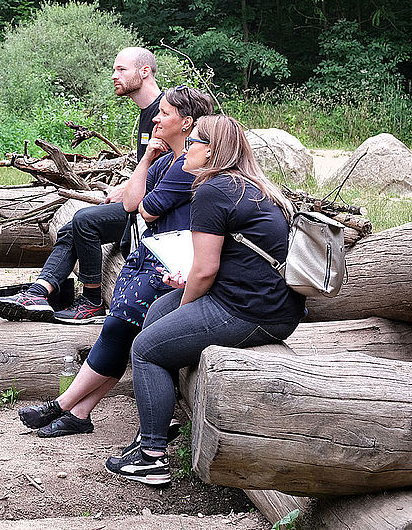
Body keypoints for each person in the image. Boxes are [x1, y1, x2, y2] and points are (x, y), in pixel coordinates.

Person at [105, 114, 305, 486]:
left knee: (147, 348)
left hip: (250, 311)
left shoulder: (213, 190)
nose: (186, 150)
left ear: (211, 151)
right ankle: (159, 420)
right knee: (157, 310)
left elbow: (205, 272)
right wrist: (183, 294)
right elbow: (217, 262)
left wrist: (186, 307)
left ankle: (151, 457)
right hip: (267, 302)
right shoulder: (247, 184)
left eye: (193, 141)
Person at [17, 87, 213, 439]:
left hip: (169, 268)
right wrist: (147, 159)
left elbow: (147, 208)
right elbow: (130, 203)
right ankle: (79, 411)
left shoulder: (189, 167)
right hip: (150, 258)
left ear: (186, 123)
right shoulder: (168, 160)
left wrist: (143, 198)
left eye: (164, 113)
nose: (155, 118)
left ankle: (64, 406)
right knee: (119, 334)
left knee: (116, 332)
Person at [0, 47, 165, 324]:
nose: (113, 76)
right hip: (140, 202)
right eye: (114, 69)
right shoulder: (148, 113)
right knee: (72, 226)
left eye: (121, 69)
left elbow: (170, 174)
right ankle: (38, 292)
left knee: (85, 220)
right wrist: (128, 185)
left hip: (156, 213)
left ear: (145, 72)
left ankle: (92, 301)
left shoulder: (165, 114)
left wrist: (132, 189)